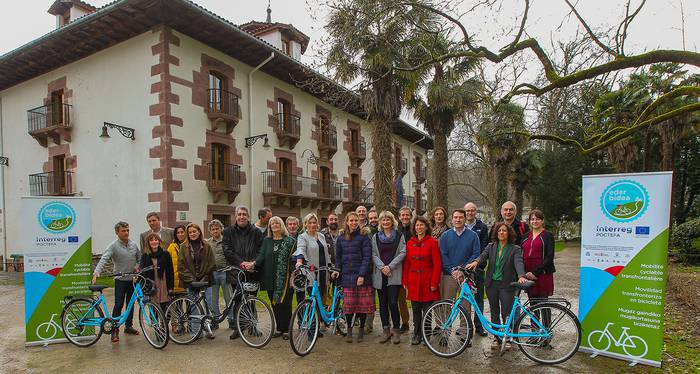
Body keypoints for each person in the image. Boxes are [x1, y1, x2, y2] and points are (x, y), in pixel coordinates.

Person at [466, 222, 528, 350]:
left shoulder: (515, 248)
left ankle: (508, 337)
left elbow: (518, 262)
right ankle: (496, 338)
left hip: (507, 285)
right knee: (494, 311)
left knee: (506, 312)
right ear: (496, 233)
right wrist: (476, 262)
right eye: (499, 230)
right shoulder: (491, 246)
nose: (501, 233)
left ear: (508, 233)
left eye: (504, 231)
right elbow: (483, 256)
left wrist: (521, 275)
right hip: (491, 284)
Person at [243, 216, 295, 340]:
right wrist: (253, 263)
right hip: (269, 277)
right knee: (275, 304)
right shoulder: (266, 241)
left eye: (277, 223)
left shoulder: (290, 241)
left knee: (285, 304)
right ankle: (279, 328)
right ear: (270, 227)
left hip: (285, 278)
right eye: (272, 223)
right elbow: (261, 256)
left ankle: (287, 329)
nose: (274, 225)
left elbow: (294, 259)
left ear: (281, 225)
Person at [93, 221, 141, 343]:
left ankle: (128, 326)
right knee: (118, 304)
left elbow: (139, 259)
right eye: (123, 231)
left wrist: (137, 267)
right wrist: (96, 272)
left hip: (132, 280)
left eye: (127, 230)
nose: (126, 233)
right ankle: (115, 329)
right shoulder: (113, 246)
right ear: (117, 232)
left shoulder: (134, 245)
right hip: (120, 280)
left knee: (130, 304)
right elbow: (104, 258)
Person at [222, 206, 264, 340]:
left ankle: (252, 326)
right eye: (239, 214)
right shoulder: (228, 232)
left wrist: (252, 263)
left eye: (244, 214)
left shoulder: (256, 232)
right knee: (238, 301)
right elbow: (227, 250)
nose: (242, 217)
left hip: (252, 272)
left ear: (248, 217)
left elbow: (261, 251)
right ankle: (238, 328)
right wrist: (242, 263)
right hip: (236, 272)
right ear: (235, 216)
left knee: (251, 300)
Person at [335, 212, 374, 343]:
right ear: (346, 222)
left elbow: (367, 257)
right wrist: (337, 270)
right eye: (351, 220)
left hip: (362, 276)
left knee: (362, 306)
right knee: (349, 306)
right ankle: (350, 330)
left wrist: (362, 274)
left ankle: (361, 330)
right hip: (346, 275)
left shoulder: (364, 236)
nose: (353, 223)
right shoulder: (341, 238)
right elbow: (338, 258)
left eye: (355, 220)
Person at [403, 216, 441, 345]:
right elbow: (407, 263)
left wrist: (434, 282)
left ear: (426, 227)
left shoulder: (433, 242)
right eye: (417, 225)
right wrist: (405, 281)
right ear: (414, 227)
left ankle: (426, 334)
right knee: (415, 310)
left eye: (421, 225)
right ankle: (416, 334)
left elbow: (437, 264)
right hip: (413, 281)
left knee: (427, 310)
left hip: (427, 281)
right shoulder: (409, 242)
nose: (419, 227)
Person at [371, 211, 406, 344]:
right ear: (380, 222)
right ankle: (386, 330)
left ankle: (396, 330)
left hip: (394, 273)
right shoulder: (376, 237)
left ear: (392, 221)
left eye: (388, 220)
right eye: (383, 220)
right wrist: (382, 267)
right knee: (383, 304)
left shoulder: (399, 236)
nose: (385, 222)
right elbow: (373, 254)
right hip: (380, 274)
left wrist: (390, 267)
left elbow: (403, 252)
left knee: (393, 303)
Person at [439, 209, 481, 318]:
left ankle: (464, 331)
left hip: (466, 275)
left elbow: (475, 254)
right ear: (452, 219)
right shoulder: (445, 236)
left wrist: (462, 270)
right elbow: (443, 254)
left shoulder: (473, 236)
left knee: (466, 305)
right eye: (455, 217)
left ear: (465, 219)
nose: (458, 220)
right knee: (446, 303)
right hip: (449, 275)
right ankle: (445, 330)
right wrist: (452, 270)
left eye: (461, 217)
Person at [178, 223, 216, 338]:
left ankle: (208, 328)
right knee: (194, 307)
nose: (192, 234)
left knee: (208, 305)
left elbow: (211, 263)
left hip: (206, 279)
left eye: (194, 231)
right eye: (190, 232)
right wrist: (192, 279)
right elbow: (181, 266)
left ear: (199, 232)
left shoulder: (206, 245)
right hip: (191, 281)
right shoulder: (183, 247)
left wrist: (203, 276)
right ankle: (196, 332)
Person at [521, 209, 556, 328]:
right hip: (528, 273)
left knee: (543, 304)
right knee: (532, 305)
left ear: (542, 221)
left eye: (537, 219)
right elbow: (521, 254)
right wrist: (525, 273)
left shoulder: (548, 235)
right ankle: (534, 332)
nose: (535, 221)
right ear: (529, 221)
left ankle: (546, 333)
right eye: (532, 219)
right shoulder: (525, 236)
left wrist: (536, 272)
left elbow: (549, 257)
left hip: (542, 273)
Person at [464, 202, 490, 337]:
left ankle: (479, 326)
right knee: (465, 299)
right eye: (467, 211)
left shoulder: (482, 227)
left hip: (477, 268)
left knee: (479, 298)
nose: (469, 213)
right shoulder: (459, 226)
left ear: (475, 212)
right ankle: (465, 327)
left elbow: (485, 248)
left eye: (472, 210)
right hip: (464, 269)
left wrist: (477, 263)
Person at [293, 213, 330, 301]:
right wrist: (299, 261)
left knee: (323, 300)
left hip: (324, 271)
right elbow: (300, 249)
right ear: (305, 224)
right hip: (312, 272)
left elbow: (326, 252)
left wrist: (330, 266)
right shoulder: (302, 237)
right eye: (310, 223)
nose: (312, 225)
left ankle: (322, 315)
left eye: (314, 222)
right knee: (315, 301)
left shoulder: (321, 236)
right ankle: (314, 315)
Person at [205, 220, 234, 331]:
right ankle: (215, 320)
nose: (215, 231)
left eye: (217, 228)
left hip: (225, 272)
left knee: (229, 298)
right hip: (212, 273)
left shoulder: (226, 241)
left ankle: (231, 320)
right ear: (210, 231)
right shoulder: (207, 243)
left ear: (221, 229)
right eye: (213, 229)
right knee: (213, 299)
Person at [140, 233, 175, 312]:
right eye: (151, 240)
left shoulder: (166, 254)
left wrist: (171, 287)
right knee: (153, 308)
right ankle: (155, 324)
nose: (154, 242)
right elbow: (143, 272)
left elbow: (170, 271)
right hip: (152, 285)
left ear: (159, 241)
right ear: (148, 243)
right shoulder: (145, 256)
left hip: (164, 284)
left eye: (156, 240)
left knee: (166, 308)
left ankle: (164, 324)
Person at [395, 206, 413, 333]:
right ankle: (405, 322)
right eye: (403, 215)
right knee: (401, 297)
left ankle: (421, 323)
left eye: (407, 215)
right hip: (400, 266)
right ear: (399, 217)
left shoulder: (416, 228)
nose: (405, 217)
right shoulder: (396, 230)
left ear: (410, 216)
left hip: (415, 266)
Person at [364, 208, 379, 332]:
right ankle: (368, 324)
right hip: (369, 269)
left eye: (375, 217)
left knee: (385, 299)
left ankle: (387, 324)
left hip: (382, 268)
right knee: (369, 298)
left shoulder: (384, 230)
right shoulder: (365, 232)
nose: (374, 220)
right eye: (371, 218)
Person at [166, 225, 187, 293]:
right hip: (176, 282)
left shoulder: (190, 245)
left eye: (182, 232)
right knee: (178, 302)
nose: (180, 234)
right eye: (178, 233)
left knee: (192, 302)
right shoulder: (171, 247)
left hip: (188, 280)